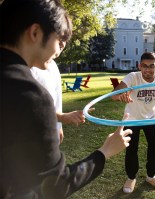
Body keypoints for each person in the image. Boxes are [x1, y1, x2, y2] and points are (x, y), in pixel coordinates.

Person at [0, 0, 131, 198]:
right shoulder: (30, 95)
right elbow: (56, 185)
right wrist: (105, 152)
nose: (58, 51)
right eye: (58, 40)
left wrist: (60, 118)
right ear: (35, 33)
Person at [111, 52, 155, 193]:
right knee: (131, 149)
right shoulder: (132, 77)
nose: (147, 70)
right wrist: (121, 96)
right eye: (144, 66)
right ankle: (131, 178)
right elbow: (114, 95)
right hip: (132, 118)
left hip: (152, 118)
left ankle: (151, 176)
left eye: (151, 66)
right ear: (139, 66)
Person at [31, 60, 91, 143]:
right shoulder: (24, 66)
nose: (62, 47)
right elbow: (27, 107)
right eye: (59, 45)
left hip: (50, 131)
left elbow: (57, 97)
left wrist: (58, 126)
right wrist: (61, 117)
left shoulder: (53, 65)